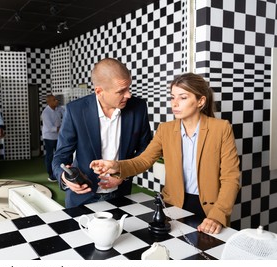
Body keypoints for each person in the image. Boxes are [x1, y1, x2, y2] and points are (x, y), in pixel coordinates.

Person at [90, 73, 241, 234]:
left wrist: (218, 215)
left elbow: (231, 178)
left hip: (211, 209)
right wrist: (116, 166)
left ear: (201, 101)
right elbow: (143, 161)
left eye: (182, 97)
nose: (174, 103)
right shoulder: (165, 129)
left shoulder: (221, 128)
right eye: (172, 97)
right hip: (172, 205)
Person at [52, 58, 152, 208]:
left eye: (128, 88)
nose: (129, 95)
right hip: (82, 198)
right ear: (99, 91)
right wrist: (64, 177)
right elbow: (60, 156)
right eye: (121, 91)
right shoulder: (75, 111)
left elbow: (146, 150)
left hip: (121, 195)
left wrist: (123, 173)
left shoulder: (139, 108)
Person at [41, 94, 64, 182]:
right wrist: (63, 128)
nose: (57, 101)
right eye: (54, 100)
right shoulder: (45, 113)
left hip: (58, 136)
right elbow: (51, 128)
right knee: (50, 155)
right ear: (49, 102)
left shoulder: (59, 108)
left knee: (59, 155)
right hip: (49, 137)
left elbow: (65, 114)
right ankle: (51, 175)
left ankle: (59, 173)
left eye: (56, 99)